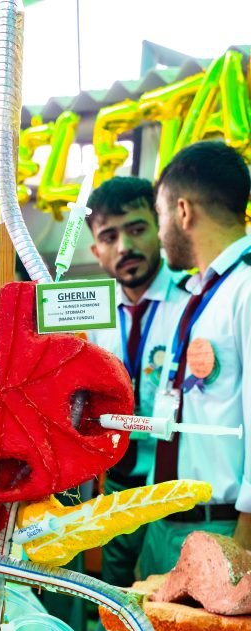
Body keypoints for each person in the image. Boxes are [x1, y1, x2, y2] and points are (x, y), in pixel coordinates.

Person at [139, 140, 251, 576]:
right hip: (166, 522)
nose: (160, 231)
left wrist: (243, 542)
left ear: (183, 211)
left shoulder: (245, 288)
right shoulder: (202, 293)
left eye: (160, 215)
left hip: (223, 528)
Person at [86, 176, 188, 587]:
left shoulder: (192, 301)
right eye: (109, 237)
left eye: (137, 228)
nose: (125, 246)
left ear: (160, 227)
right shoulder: (90, 314)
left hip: (174, 491)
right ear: (96, 251)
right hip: (117, 486)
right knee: (113, 597)